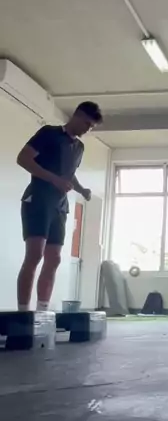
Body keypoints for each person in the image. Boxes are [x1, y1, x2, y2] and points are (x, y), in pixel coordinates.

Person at [16, 101, 103, 312]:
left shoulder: (79, 147)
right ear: (77, 115)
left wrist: (81, 189)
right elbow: (23, 159)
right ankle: (23, 312)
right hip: (38, 199)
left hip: (60, 206)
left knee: (54, 259)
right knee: (34, 255)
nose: (87, 130)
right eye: (87, 124)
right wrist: (54, 179)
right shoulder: (49, 133)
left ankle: (42, 311)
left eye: (91, 127)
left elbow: (69, 173)